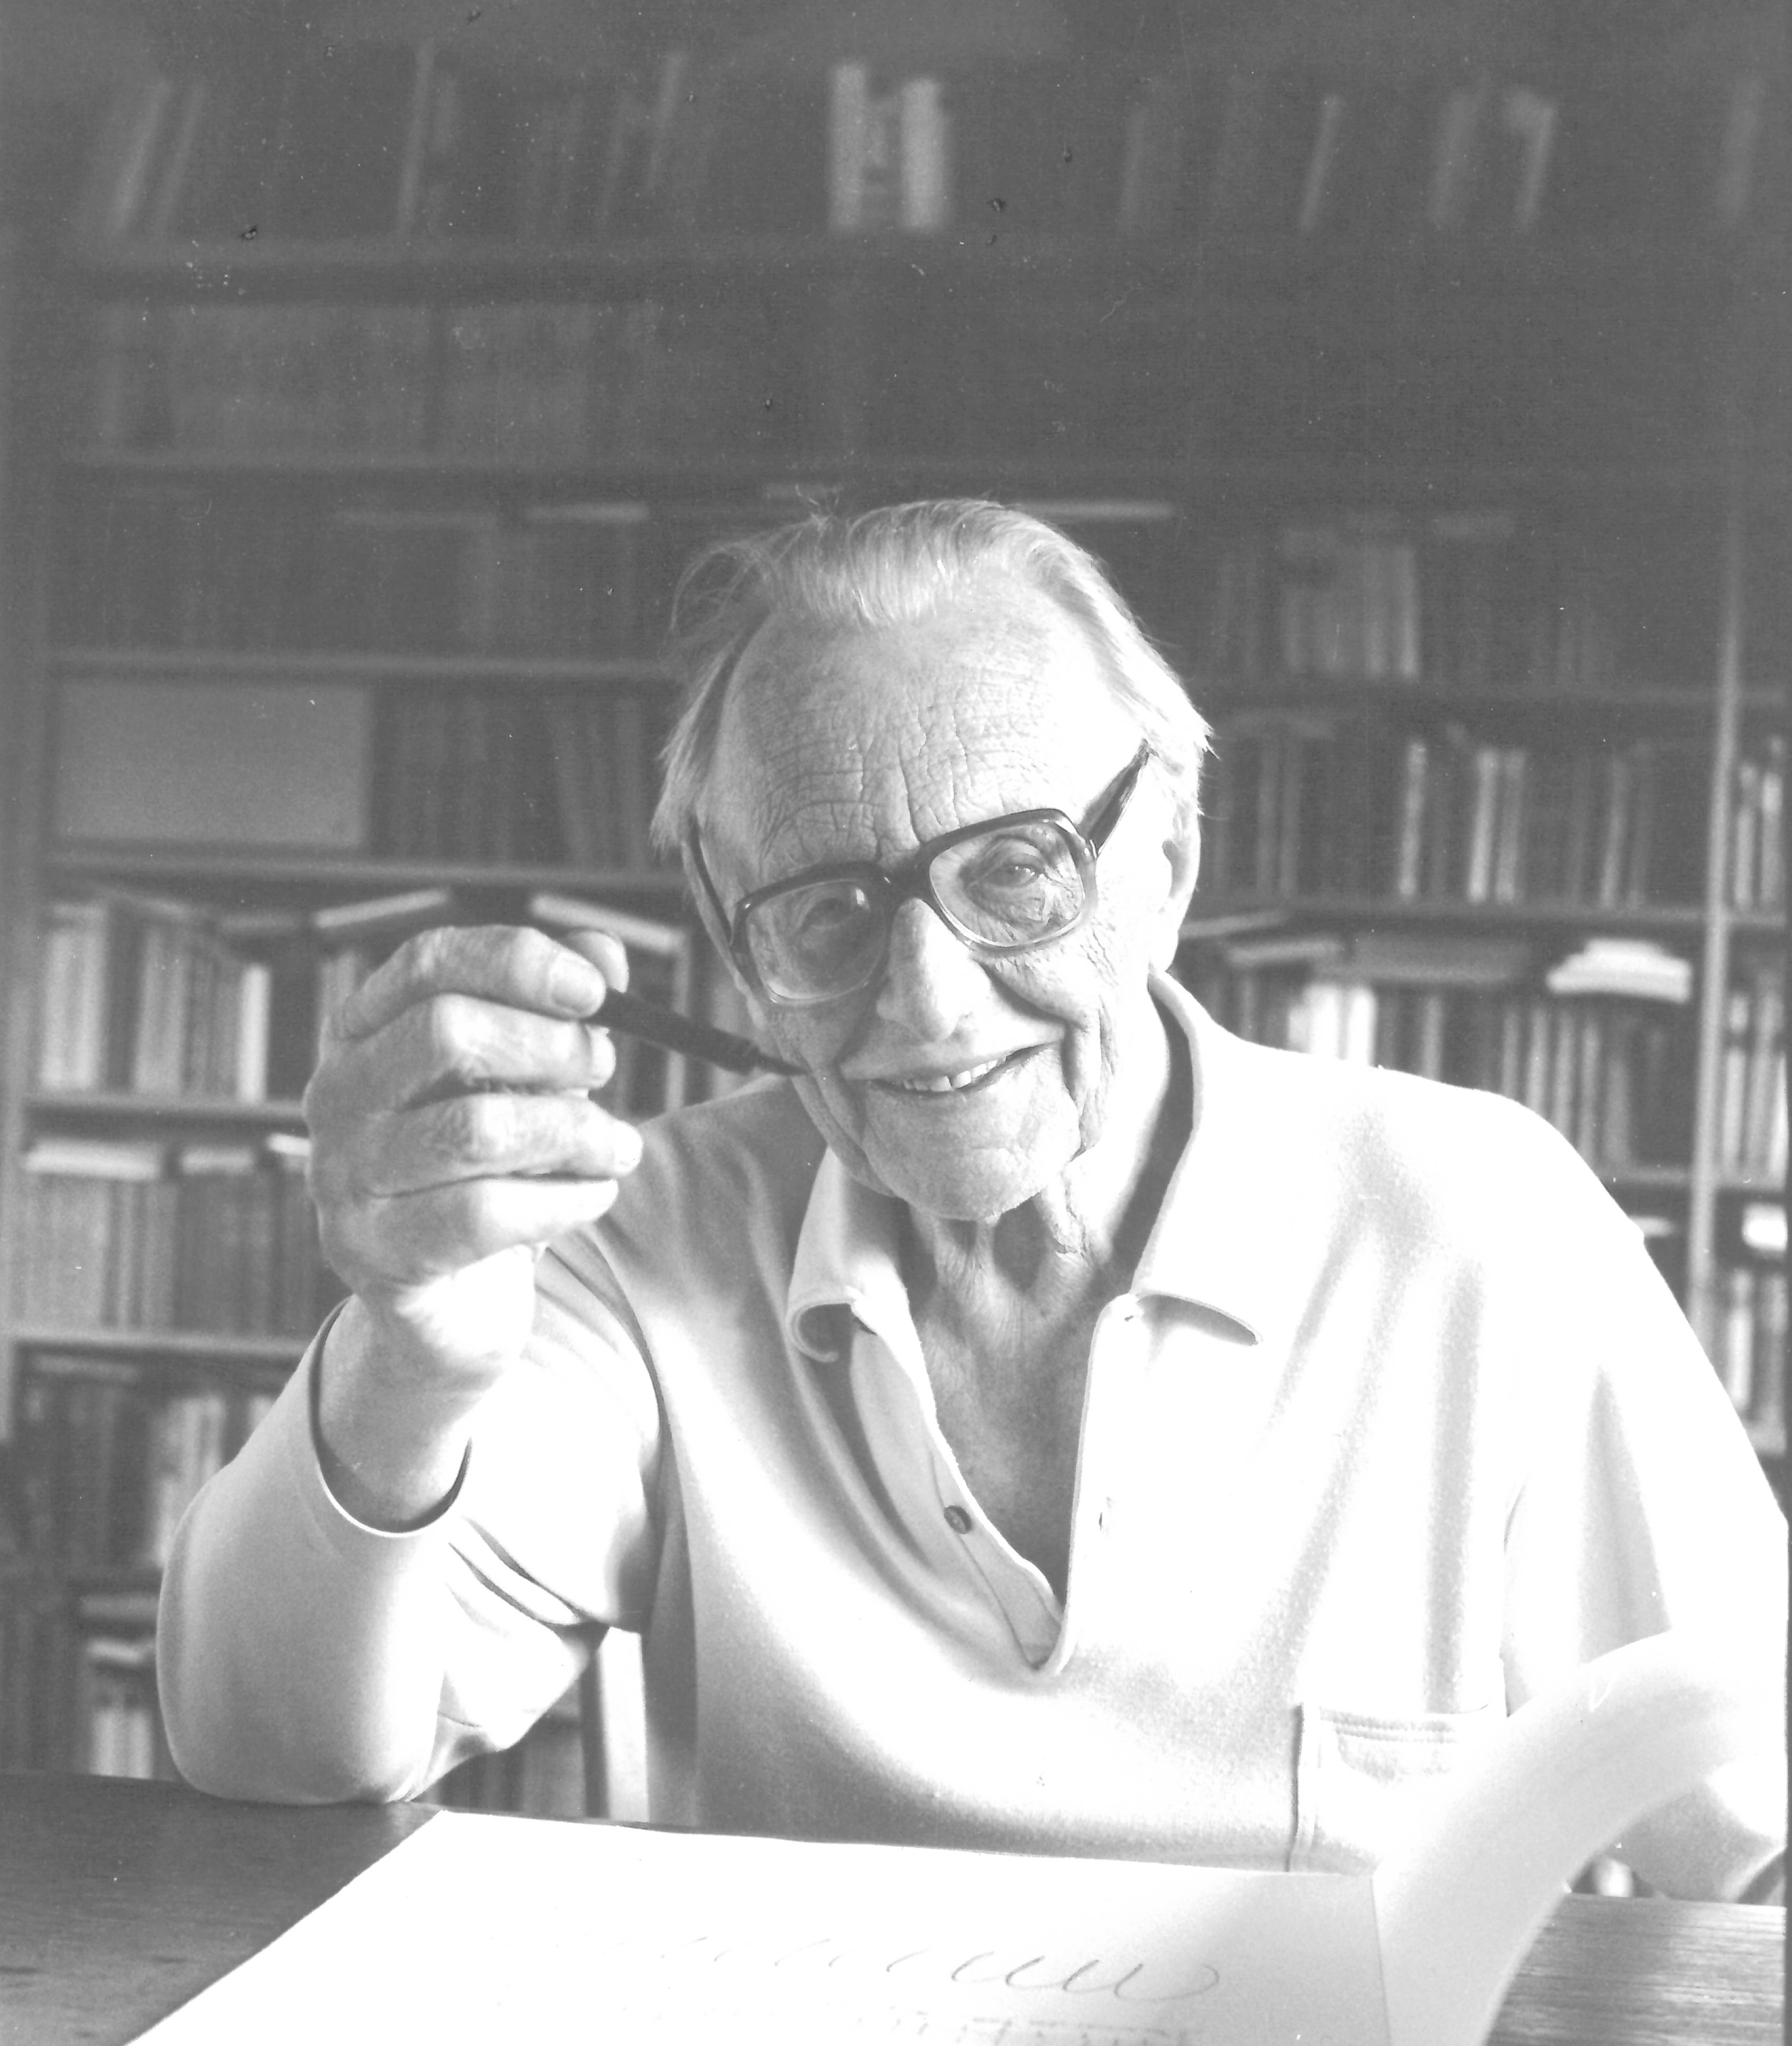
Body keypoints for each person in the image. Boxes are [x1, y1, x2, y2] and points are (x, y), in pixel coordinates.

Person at [159, 501, 1786, 1896]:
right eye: (828, 908)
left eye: (1016, 870)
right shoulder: (641, 1244)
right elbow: (269, 1755)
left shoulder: (1483, 1224)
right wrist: (413, 1357)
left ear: (1166, 866)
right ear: (734, 942)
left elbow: (1764, 1823)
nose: (929, 1003)